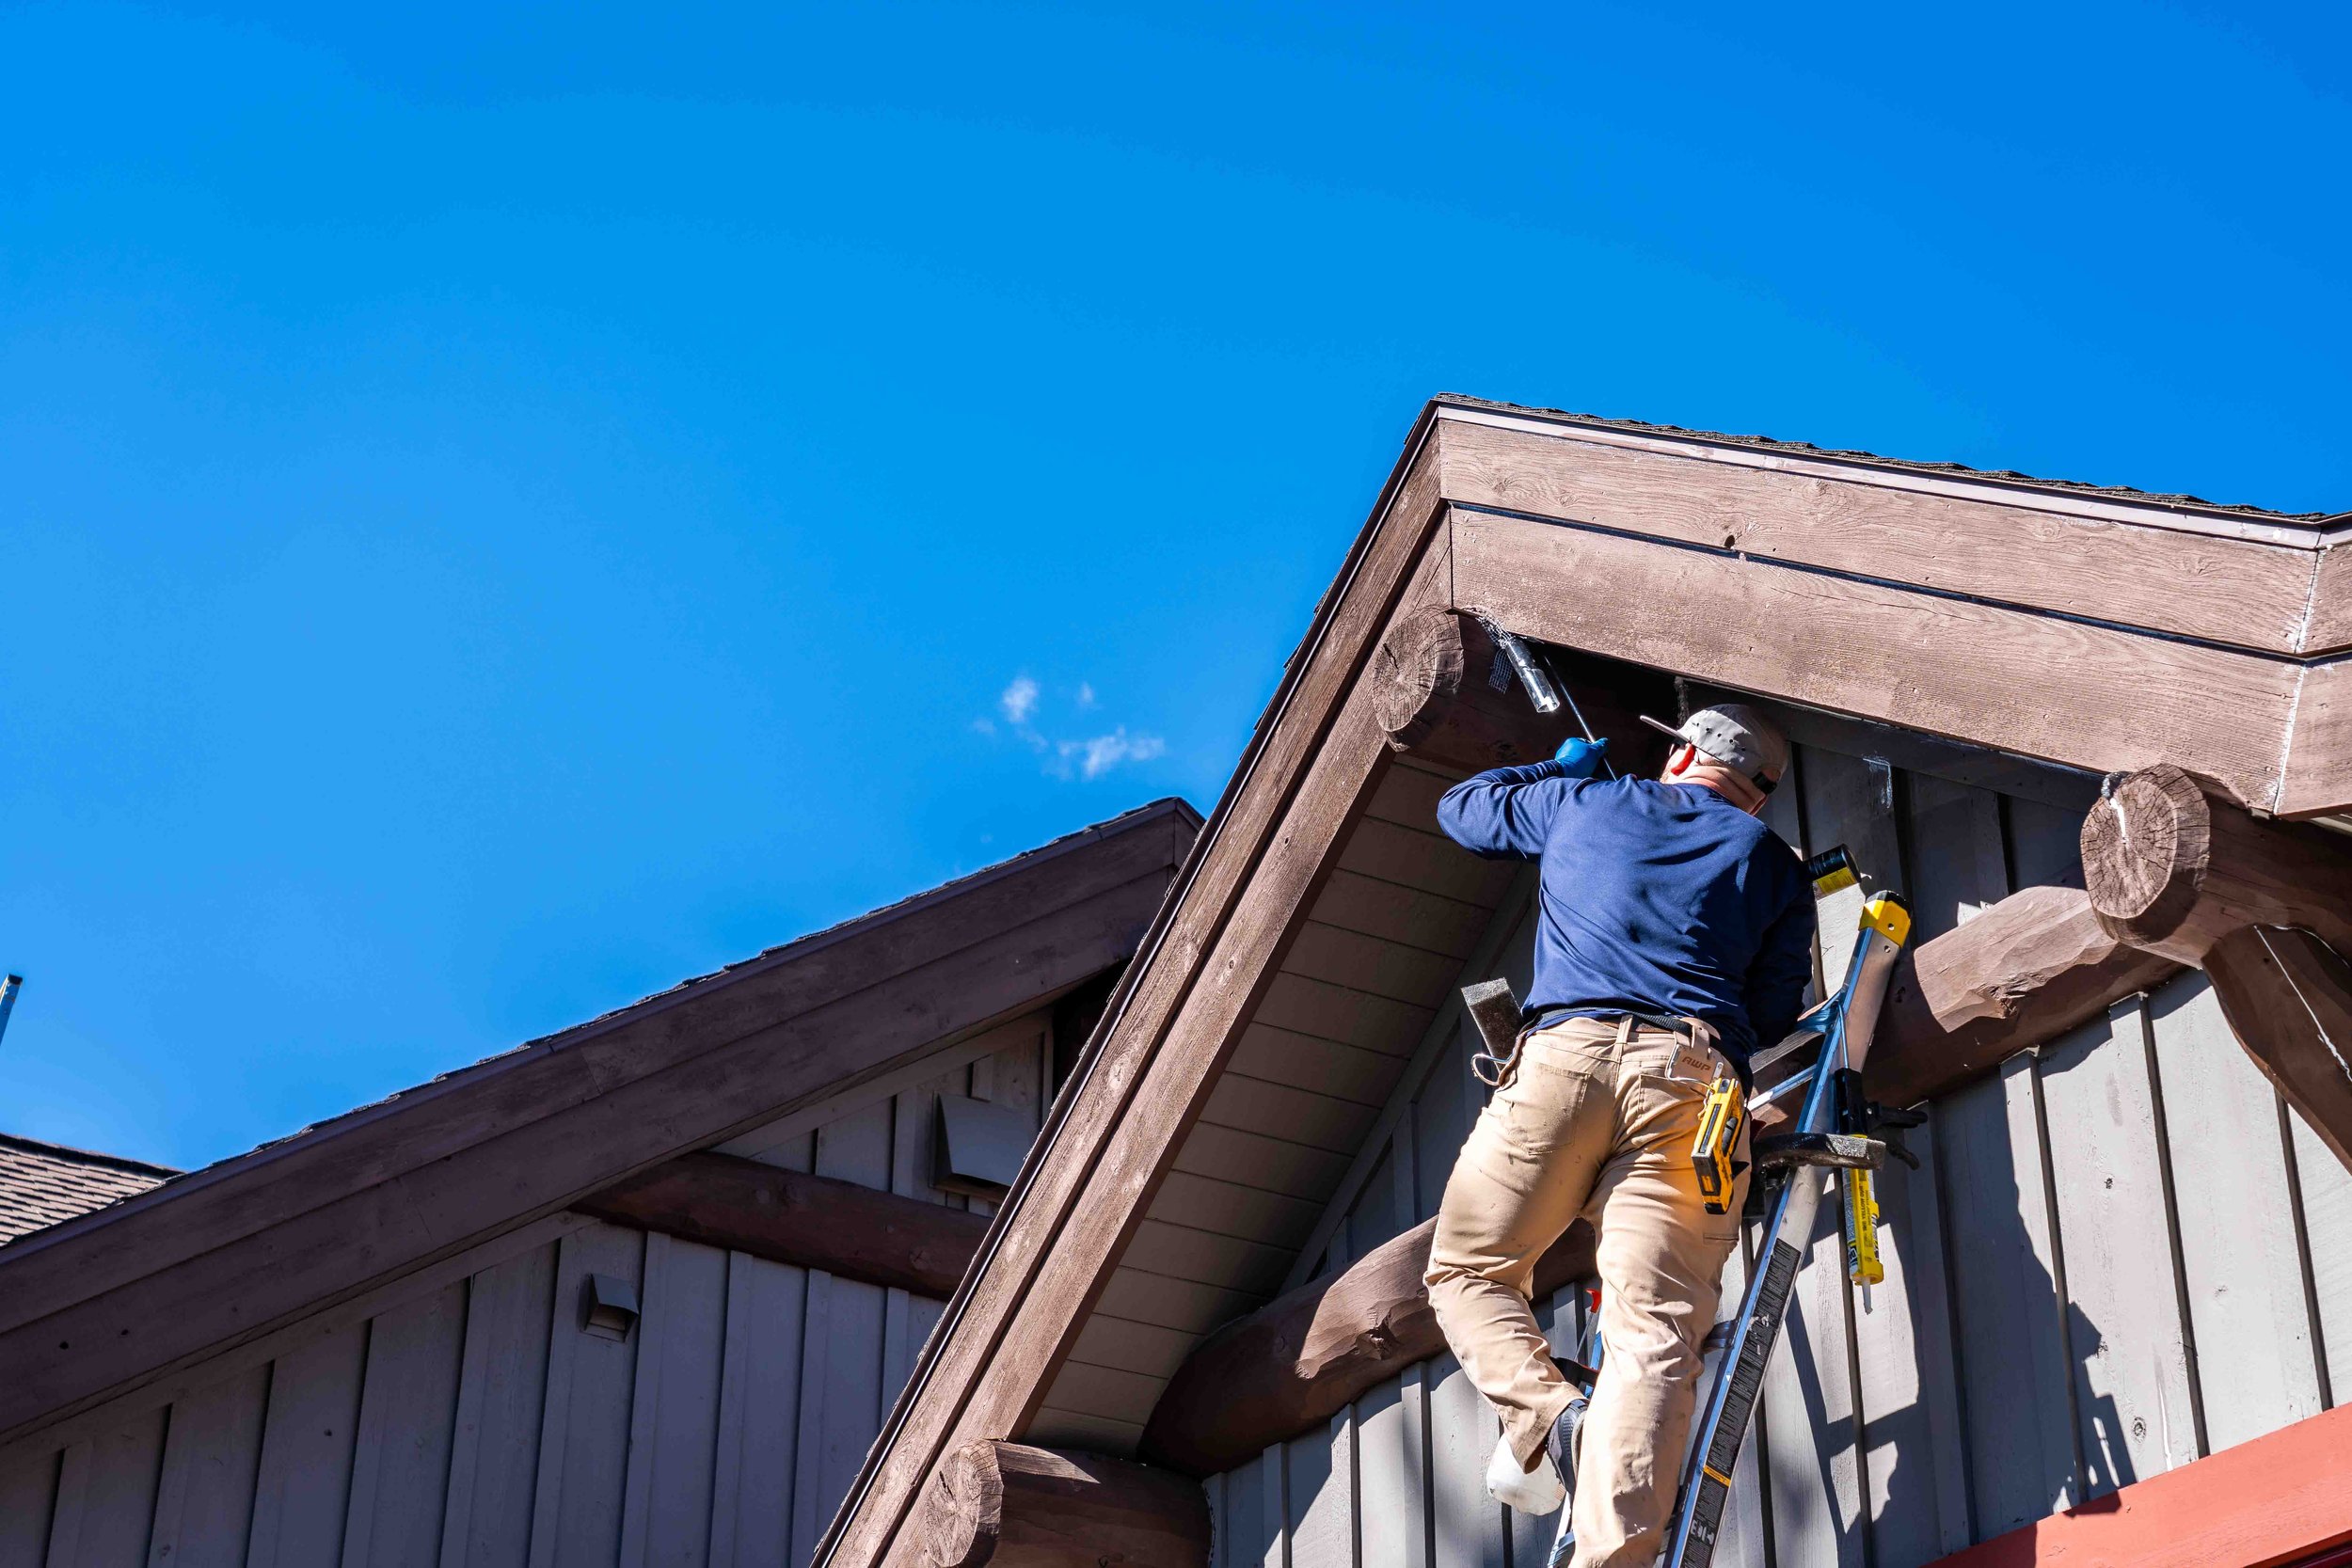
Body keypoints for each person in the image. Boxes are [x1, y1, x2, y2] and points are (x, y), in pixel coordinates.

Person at [1422, 704, 1816, 1568]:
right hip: (1695, 1084)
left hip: (1562, 1063)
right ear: (1755, 797)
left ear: (1681, 752)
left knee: (1468, 1268)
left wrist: (1556, 770)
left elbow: (1463, 808)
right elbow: (1775, 1012)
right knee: (1654, 1334)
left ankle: (1554, 1418)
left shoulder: (1585, 804)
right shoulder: (1774, 866)